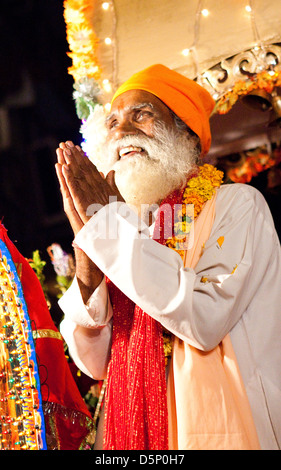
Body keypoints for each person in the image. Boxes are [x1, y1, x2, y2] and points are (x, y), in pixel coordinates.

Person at [55, 64, 281, 450]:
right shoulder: (124, 226)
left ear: (187, 136)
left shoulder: (237, 204)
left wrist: (108, 227)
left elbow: (204, 318)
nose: (122, 131)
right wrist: (89, 249)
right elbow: (94, 365)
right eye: (112, 122)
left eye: (141, 114)